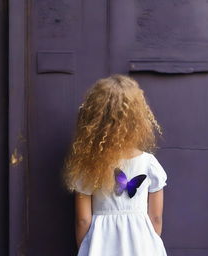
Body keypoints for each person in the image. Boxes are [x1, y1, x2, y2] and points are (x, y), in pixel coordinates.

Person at [63, 74, 168, 256]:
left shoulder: (88, 165)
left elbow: (82, 220)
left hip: (101, 245)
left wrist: (86, 248)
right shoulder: (149, 164)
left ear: (94, 119)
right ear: (137, 118)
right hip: (141, 245)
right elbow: (156, 218)